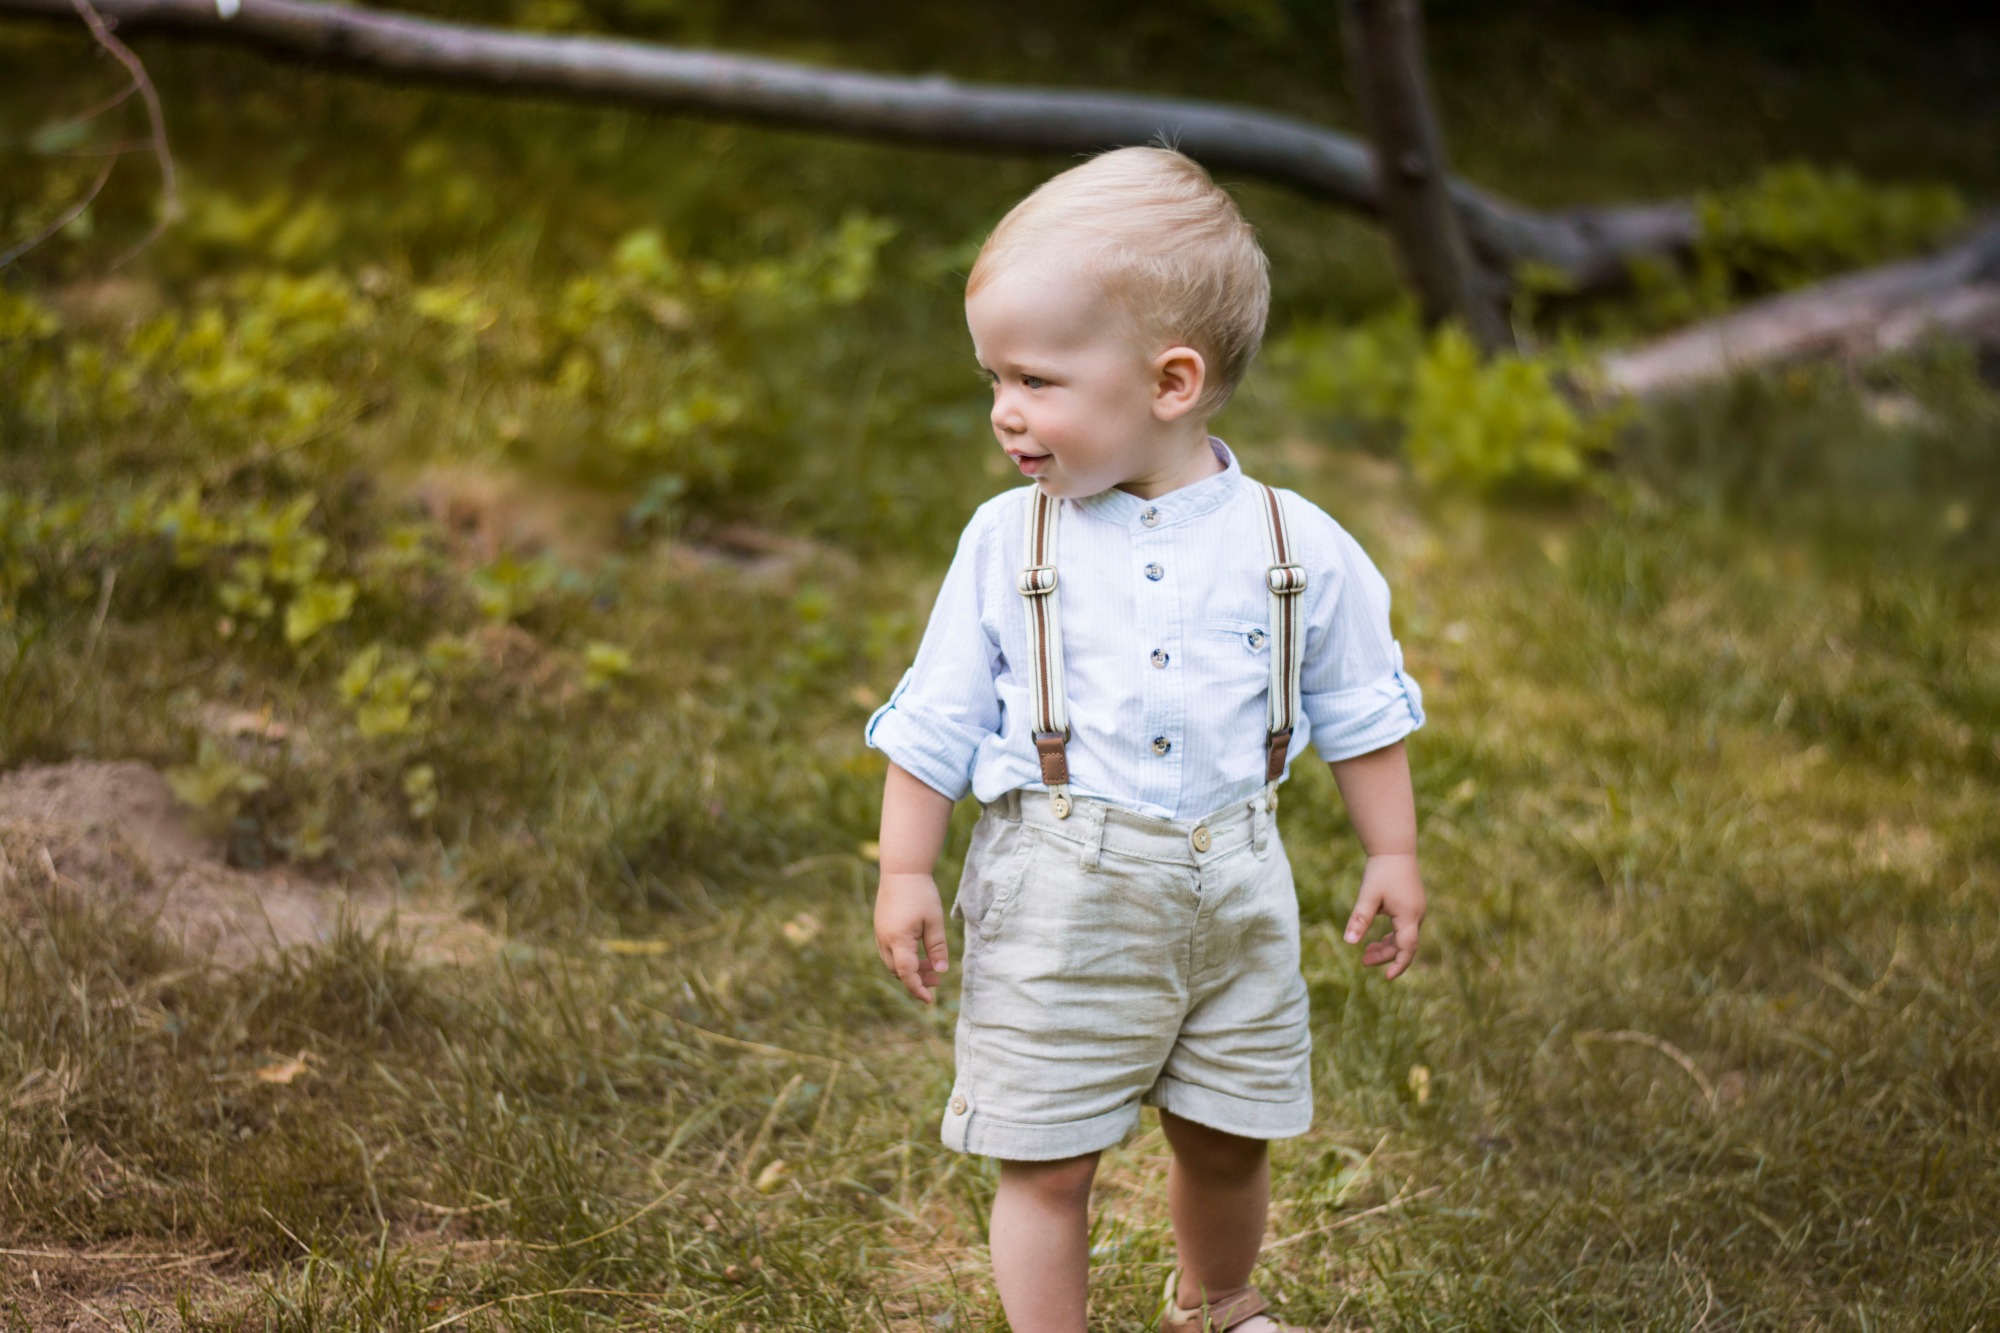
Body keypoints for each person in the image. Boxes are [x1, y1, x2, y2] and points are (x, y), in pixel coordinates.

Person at [865, 146, 1428, 1333]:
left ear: (1170, 382)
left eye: (1034, 378)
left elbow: (1360, 708)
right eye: (992, 377)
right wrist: (905, 867)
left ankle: (1217, 1302)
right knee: (1047, 1157)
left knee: (1229, 1134)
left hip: (1236, 887)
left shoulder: (1295, 541)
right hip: (1060, 890)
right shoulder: (1006, 542)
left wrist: (1393, 853)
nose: (1003, 411)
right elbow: (937, 718)